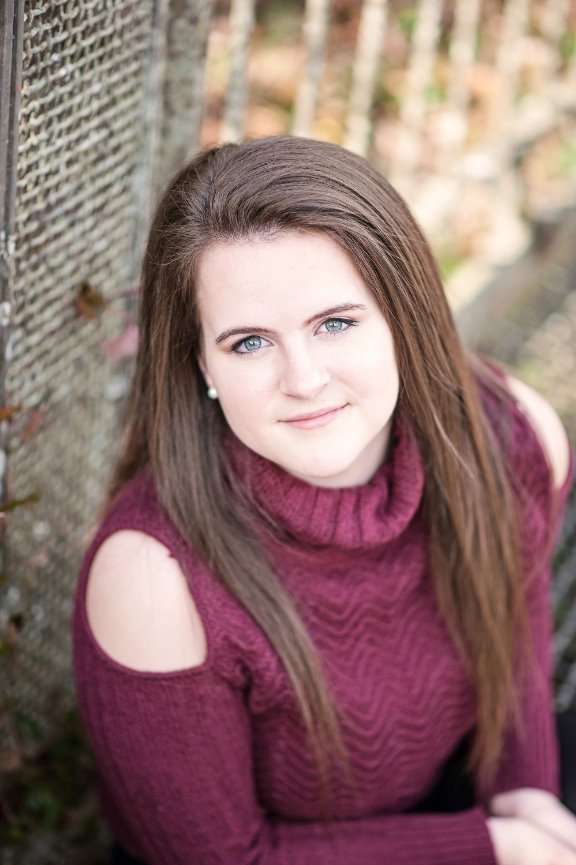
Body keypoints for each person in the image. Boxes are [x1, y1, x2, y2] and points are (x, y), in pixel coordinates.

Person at [72, 135, 576, 865]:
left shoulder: (514, 438)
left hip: (454, 801)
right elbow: (221, 859)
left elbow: (517, 657)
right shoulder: (155, 577)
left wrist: (528, 805)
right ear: (200, 363)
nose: (302, 378)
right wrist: (492, 846)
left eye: (335, 323)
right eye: (249, 343)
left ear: (404, 317)